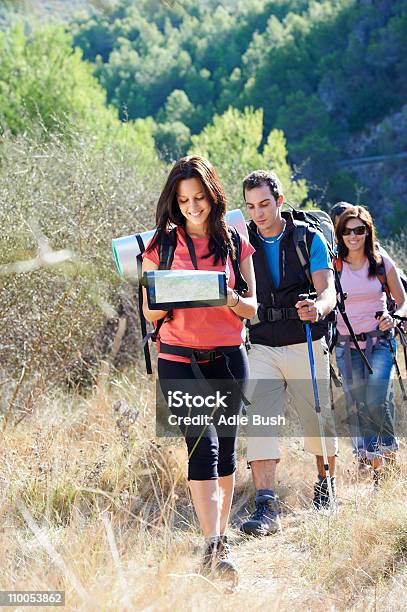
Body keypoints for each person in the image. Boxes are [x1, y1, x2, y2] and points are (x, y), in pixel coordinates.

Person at [142, 156, 257, 578]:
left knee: (226, 449)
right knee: (202, 447)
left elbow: (253, 308)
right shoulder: (161, 246)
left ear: (213, 195)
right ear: (175, 201)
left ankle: (220, 539)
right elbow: (149, 313)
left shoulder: (234, 240)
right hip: (179, 359)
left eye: (200, 197)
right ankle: (212, 548)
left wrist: (228, 298)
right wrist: (173, 294)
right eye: (184, 199)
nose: (193, 206)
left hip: (228, 356)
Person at [240, 170, 338, 537]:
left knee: (317, 416)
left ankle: (325, 486)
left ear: (279, 201)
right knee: (261, 421)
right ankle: (265, 504)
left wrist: (320, 308)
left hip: (305, 340)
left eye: (264, 204)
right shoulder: (242, 241)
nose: (258, 213)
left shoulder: (307, 237)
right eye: (251, 207)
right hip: (261, 344)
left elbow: (326, 289)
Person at [334, 205, 406, 477]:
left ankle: (386, 454)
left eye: (359, 230)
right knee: (361, 403)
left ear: (368, 231)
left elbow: (403, 300)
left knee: (376, 397)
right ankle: (379, 467)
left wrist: (395, 317)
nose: (353, 236)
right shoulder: (334, 265)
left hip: (381, 342)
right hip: (347, 346)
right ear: (340, 234)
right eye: (347, 231)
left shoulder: (380, 262)